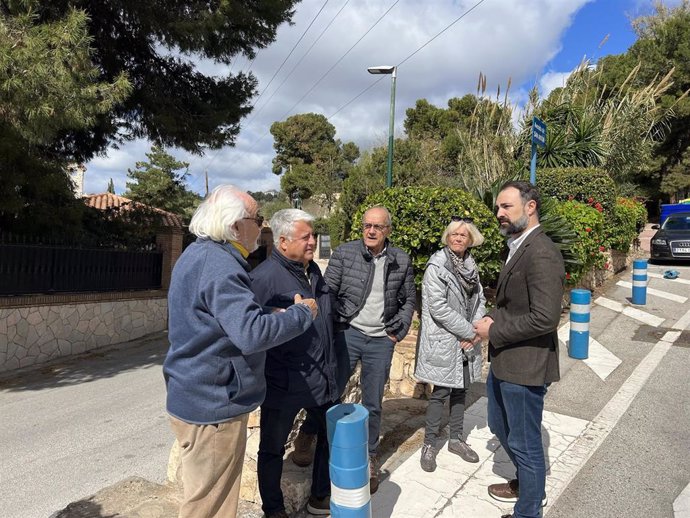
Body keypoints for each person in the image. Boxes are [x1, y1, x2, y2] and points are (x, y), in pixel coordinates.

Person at [163, 186, 318, 518]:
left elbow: (221, 321)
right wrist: (301, 315)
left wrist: (266, 315)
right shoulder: (221, 265)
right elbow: (251, 335)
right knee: (210, 507)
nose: (261, 227)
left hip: (196, 396)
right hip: (215, 406)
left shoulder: (198, 255)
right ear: (235, 225)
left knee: (205, 498)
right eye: (257, 218)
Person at [474, 181, 565, 518]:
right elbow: (513, 305)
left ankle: (528, 508)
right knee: (499, 426)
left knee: (525, 444)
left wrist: (495, 329)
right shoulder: (518, 245)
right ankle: (528, 484)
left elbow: (545, 318)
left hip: (526, 366)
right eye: (498, 207)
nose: (499, 213)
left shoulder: (541, 252)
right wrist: (487, 321)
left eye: (506, 207)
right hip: (505, 361)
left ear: (530, 207)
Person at [250, 209, 339, 518]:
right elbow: (252, 330)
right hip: (282, 384)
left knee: (331, 434)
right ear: (283, 241)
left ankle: (319, 496)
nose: (312, 241)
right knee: (272, 451)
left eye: (312, 235)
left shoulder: (313, 270)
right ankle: (274, 512)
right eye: (306, 237)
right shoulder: (263, 279)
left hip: (319, 378)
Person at [322, 205, 416, 493]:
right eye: (367, 226)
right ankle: (316, 442)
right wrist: (341, 322)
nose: (371, 231)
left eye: (377, 226)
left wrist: (396, 331)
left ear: (387, 230)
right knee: (331, 392)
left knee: (373, 402)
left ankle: (369, 457)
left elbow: (409, 299)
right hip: (349, 334)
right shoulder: (345, 253)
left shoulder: (401, 259)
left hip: (380, 340)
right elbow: (328, 293)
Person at [414, 217, 486, 472]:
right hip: (446, 340)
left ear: (470, 240)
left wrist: (476, 328)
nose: (458, 238)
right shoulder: (437, 266)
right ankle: (429, 444)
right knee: (440, 393)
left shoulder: (470, 265)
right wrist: (469, 331)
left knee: (461, 391)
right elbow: (438, 309)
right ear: (447, 237)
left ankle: (456, 439)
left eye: (463, 235)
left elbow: (480, 300)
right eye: (454, 234)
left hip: (467, 342)